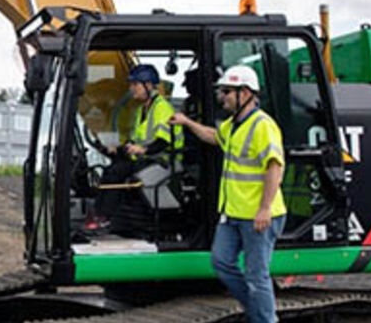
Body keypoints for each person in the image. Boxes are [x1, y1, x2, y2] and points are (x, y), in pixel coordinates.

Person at [170, 65, 286, 323]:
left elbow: (274, 167)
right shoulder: (234, 125)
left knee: (257, 275)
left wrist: (265, 208)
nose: (222, 96)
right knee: (221, 262)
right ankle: (256, 311)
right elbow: (214, 136)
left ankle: (265, 319)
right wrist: (187, 122)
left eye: (226, 92)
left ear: (245, 93)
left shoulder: (262, 126)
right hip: (233, 212)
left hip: (258, 215)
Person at [94, 64, 182, 224]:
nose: (132, 88)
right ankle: (100, 214)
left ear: (148, 85)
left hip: (163, 161)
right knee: (112, 168)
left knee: (117, 172)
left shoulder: (162, 108)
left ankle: (105, 217)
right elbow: (136, 140)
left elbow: (163, 142)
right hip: (147, 158)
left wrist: (143, 149)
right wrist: (118, 148)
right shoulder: (141, 110)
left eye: (135, 84)